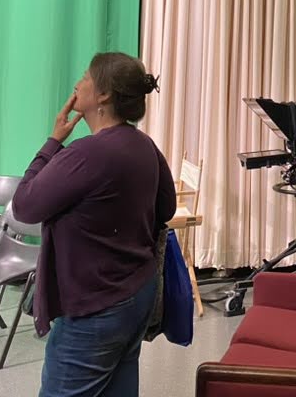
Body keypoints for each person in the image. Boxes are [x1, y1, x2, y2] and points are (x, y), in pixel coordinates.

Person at [12, 52, 177, 397]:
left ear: (103, 95)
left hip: (96, 306)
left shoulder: (86, 153)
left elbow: (24, 205)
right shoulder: (144, 145)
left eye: (86, 75)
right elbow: (167, 207)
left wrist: (53, 141)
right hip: (137, 293)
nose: (79, 81)